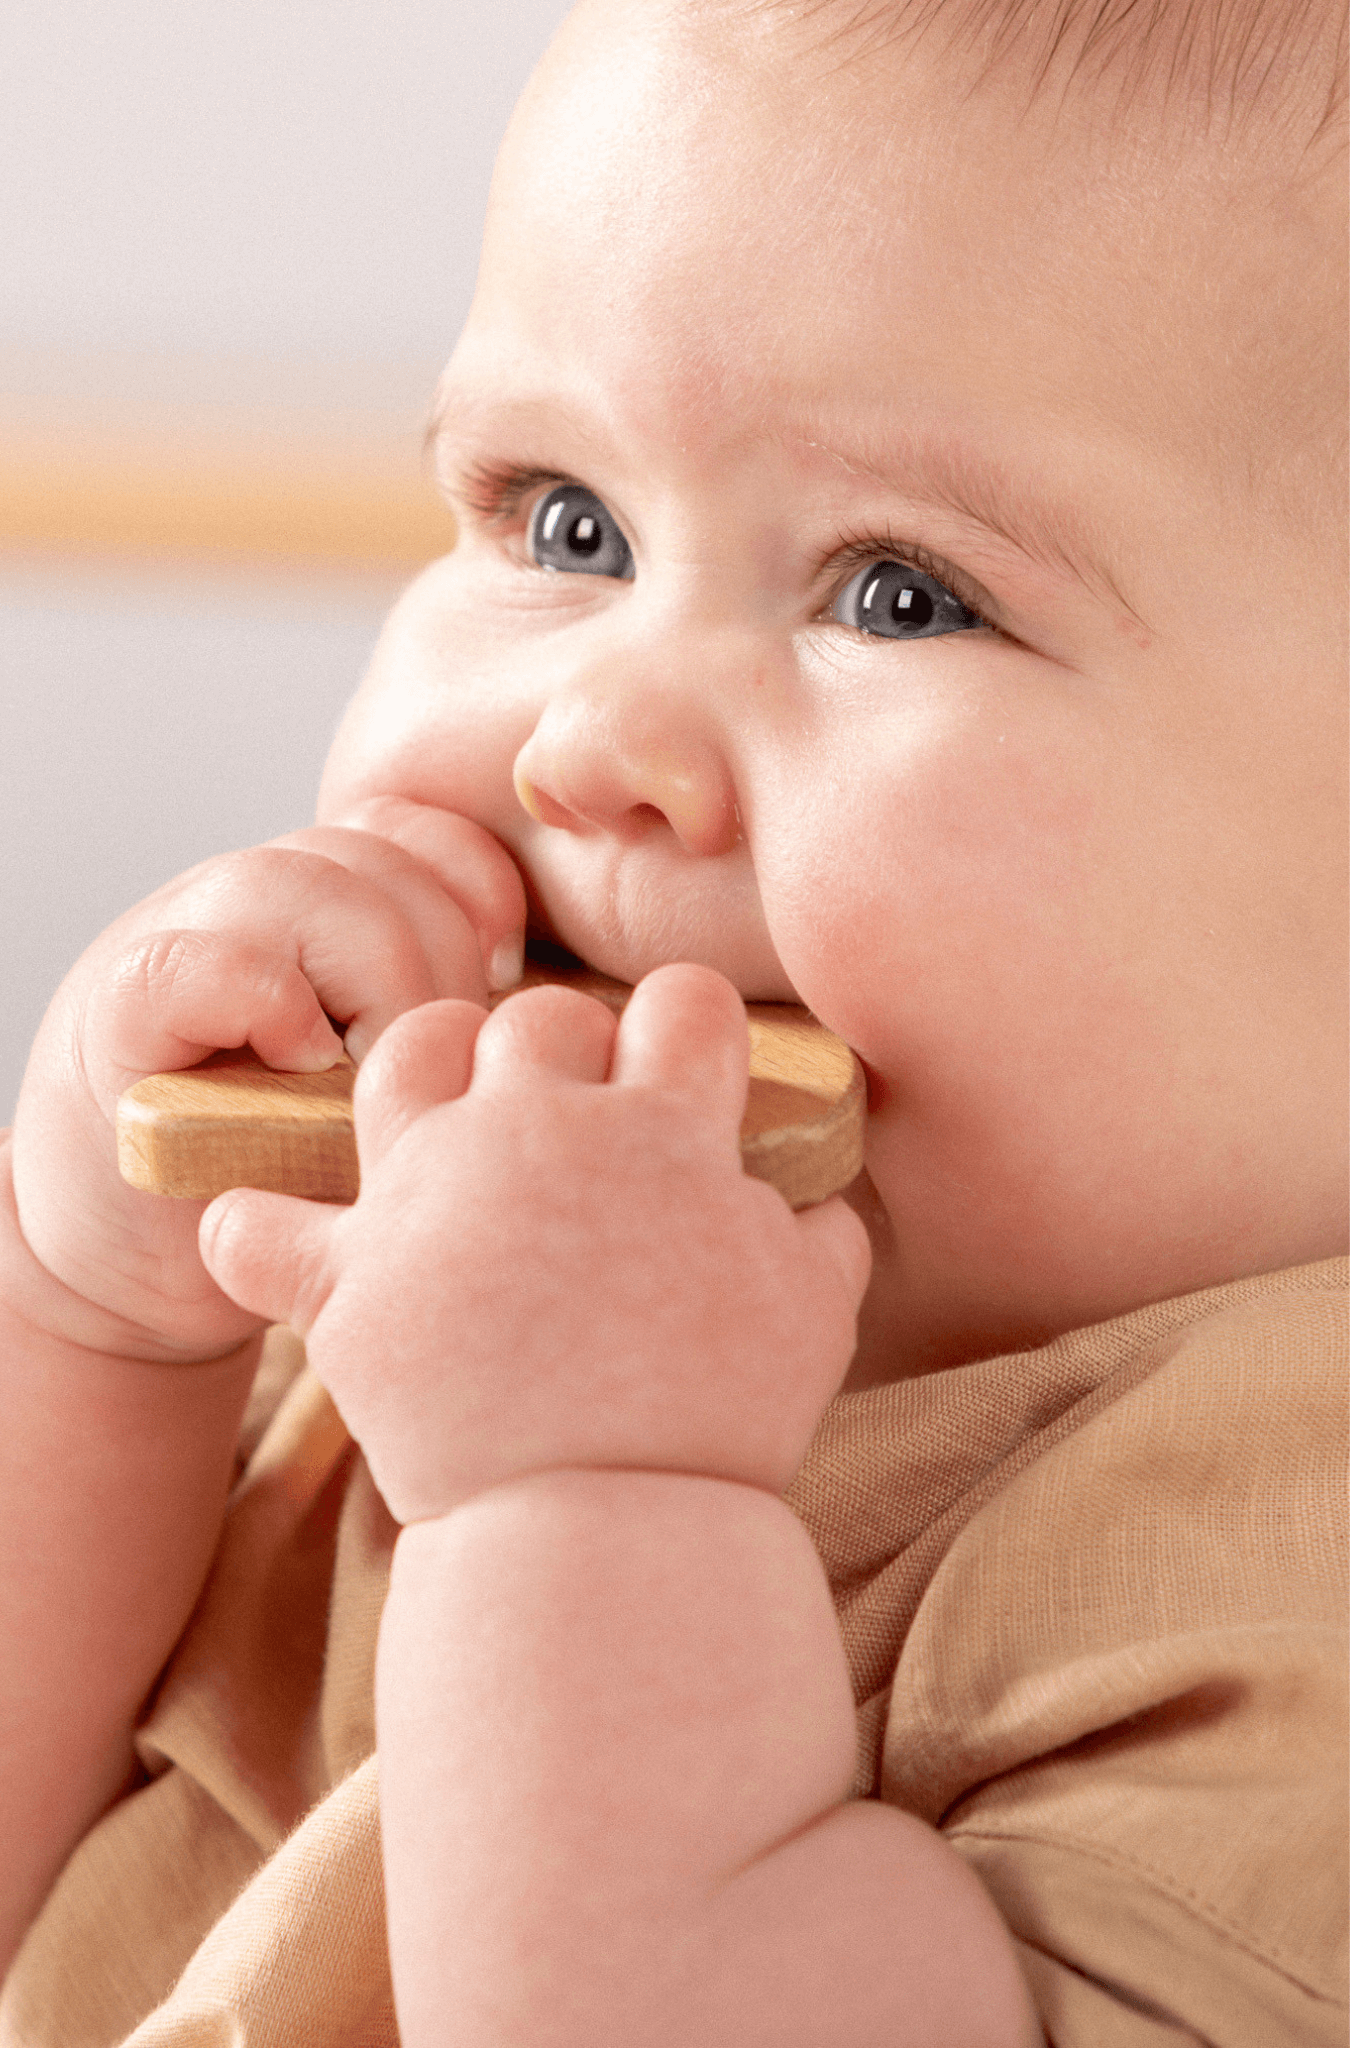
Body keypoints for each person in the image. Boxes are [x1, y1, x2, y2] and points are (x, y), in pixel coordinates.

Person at [1, 0, 1345, 2041]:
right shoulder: (453, 1228)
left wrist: (588, 1515)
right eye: (565, 525)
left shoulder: (1268, 1552)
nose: (596, 739)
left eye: (899, 592)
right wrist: (89, 1327)